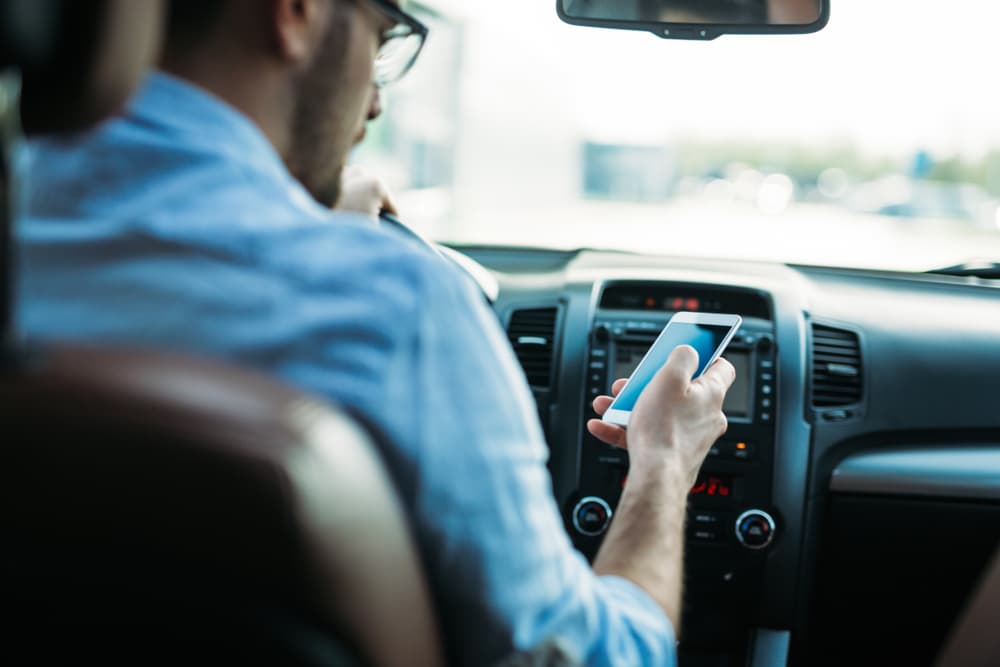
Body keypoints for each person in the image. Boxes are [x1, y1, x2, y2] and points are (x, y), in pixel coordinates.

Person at [18, 1, 735, 665]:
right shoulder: (397, 306)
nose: (378, 98)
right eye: (382, 36)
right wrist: (663, 462)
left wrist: (320, 224)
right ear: (295, 12)